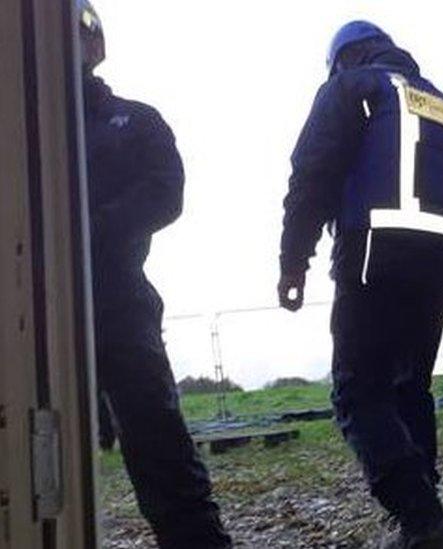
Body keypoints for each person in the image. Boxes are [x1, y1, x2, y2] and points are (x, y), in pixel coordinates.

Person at [277, 20, 443, 548]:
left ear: (344, 58)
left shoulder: (352, 87)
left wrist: (293, 260)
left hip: (374, 254)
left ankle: (423, 520)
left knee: (358, 392)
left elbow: (311, 173)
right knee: (410, 389)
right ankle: (422, 517)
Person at [78, 2, 232, 547]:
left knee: (157, 444)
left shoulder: (135, 120)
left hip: (117, 301)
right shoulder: (20, 135)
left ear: (94, 45)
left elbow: (166, 193)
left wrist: (87, 228)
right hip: (30, 314)